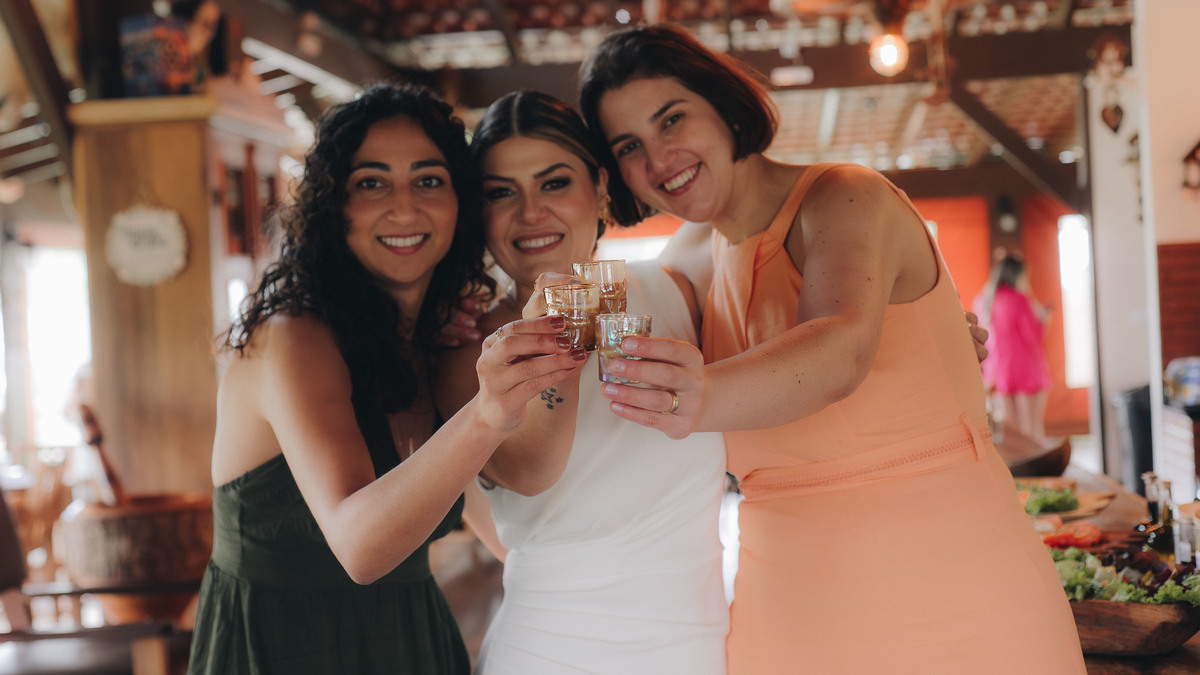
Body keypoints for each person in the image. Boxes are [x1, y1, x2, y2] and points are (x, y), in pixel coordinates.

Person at [578, 24, 1086, 674]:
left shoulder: (847, 196)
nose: (658, 158)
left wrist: (699, 392)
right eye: (629, 146)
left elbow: (840, 347)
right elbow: (600, 310)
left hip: (962, 594)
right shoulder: (690, 258)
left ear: (723, 105)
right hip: (790, 617)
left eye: (671, 119)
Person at [186, 82, 586, 675]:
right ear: (333, 205)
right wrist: (485, 414)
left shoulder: (431, 344)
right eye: (371, 183)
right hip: (282, 651)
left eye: (429, 180)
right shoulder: (292, 338)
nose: (404, 208)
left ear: (461, 204)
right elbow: (361, 549)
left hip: (414, 642)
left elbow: (505, 525)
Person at [434, 90, 728, 674]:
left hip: (695, 650)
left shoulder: (676, 287)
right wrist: (559, 316)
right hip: (547, 653)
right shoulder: (463, 350)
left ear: (599, 188)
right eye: (501, 193)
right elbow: (531, 472)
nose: (531, 212)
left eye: (554, 183)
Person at [975, 252, 1053, 444]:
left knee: (1012, 435)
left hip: (999, 371)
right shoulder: (1020, 299)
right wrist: (1043, 319)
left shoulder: (984, 301)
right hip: (1027, 369)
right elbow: (1033, 335)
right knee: (1031, 432)